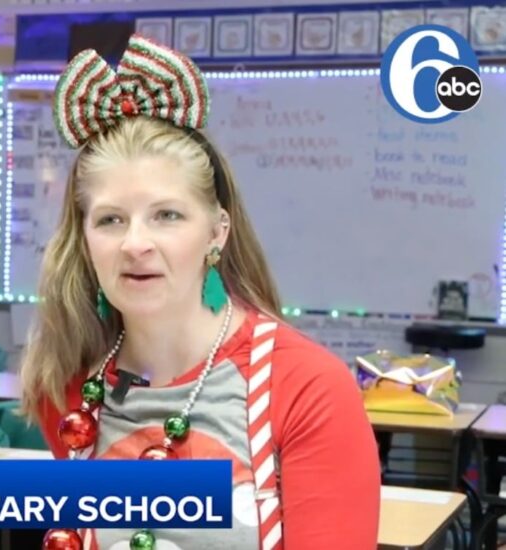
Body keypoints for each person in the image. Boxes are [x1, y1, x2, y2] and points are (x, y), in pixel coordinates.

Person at [19, 35, 380, 550]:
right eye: (110, 220)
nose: (135, 243)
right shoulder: (68, 390)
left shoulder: (307, 389)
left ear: (217, 232)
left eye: (167, 215)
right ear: (85, 240)